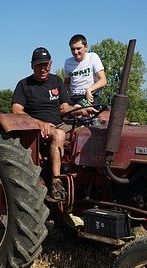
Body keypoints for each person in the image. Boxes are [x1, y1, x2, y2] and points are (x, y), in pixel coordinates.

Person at [12, 46, 89, 200]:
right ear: (32, 66)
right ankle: (56, 182)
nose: (43, 69)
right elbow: (16, 110)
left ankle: (84, 177)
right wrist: (39, 123)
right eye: (39, 65)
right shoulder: (24, 85)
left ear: (51, 64)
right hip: (36, 129)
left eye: (46, 65)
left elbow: (64, 107)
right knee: (59, 135)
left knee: (87, 132)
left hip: (60, 123)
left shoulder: (56, 80)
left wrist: (81, 110)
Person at [63, 34, 107, 106]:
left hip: (90, 96)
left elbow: (103, 80)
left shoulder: (92, 57)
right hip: (74, 97)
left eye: (78, 48)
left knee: (77, 109)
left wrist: (89, 90)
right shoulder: (68, 62)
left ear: (86, 47)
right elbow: (67, 82)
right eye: (73, 49)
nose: (75, 52)